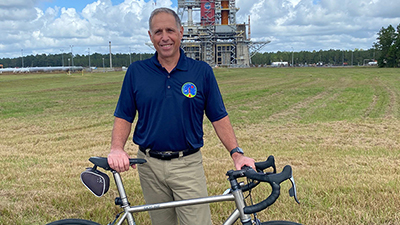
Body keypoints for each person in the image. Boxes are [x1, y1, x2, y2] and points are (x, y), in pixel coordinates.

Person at [107, 7, 255, 225]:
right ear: (150, 36)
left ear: (181, 32)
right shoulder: (137, 72)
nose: (164, 37)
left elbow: (218, 116)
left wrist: (236, 153)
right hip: (149, 166)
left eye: (170, 30)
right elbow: (124, 115)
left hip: (187, 164)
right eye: (158, 32)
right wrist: (117, 148)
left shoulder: (201, 71)